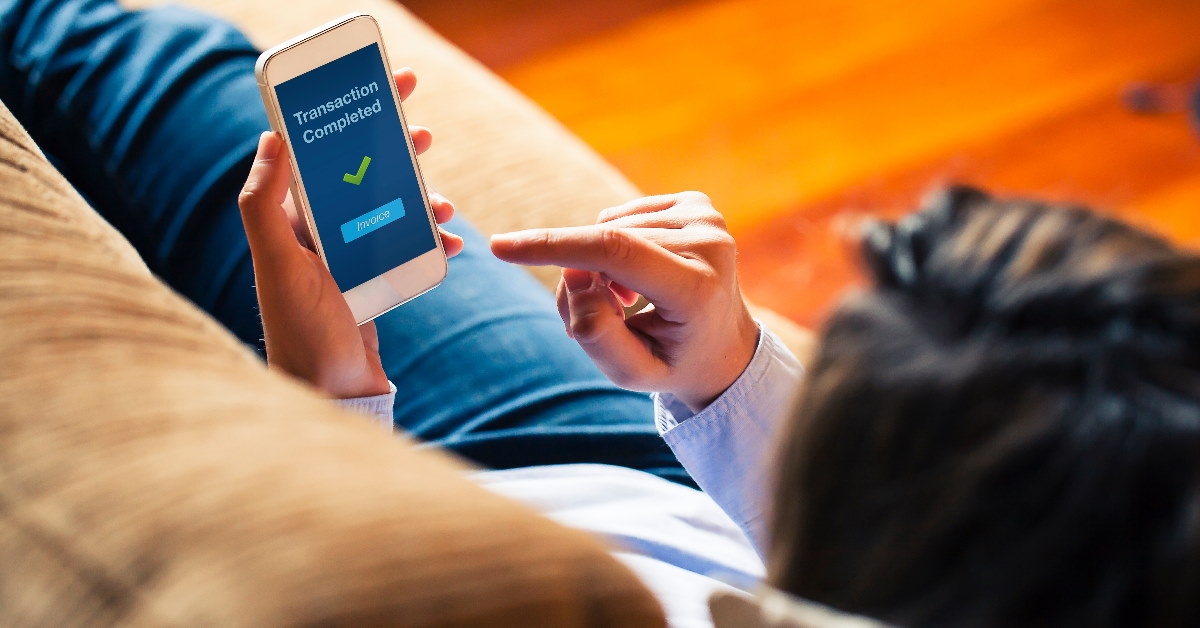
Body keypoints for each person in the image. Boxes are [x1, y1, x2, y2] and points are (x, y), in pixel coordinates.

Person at [6, 2, 1200, 628]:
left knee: (113, 71)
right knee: (150, 68)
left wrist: (328, 400)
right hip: (609, 460)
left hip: (428, 500)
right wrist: (728, 374)